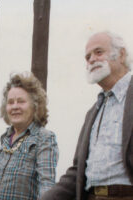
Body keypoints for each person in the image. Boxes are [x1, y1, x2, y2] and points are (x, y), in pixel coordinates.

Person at [41, 31, 133, 200]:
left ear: (121, 54)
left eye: (98, 52)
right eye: (87, 57)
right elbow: (78, 171)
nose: (91, 60)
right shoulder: (93, 113)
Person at [0, 72, 59, 200]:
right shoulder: (5, 137)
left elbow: (47, 185)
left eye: (21, 101)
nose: (15, 106)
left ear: (35, 106)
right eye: (10, 102)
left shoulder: (44, 138)